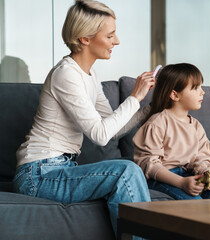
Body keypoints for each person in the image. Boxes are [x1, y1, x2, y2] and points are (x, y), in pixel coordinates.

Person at [13, 0, 153, 235]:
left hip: (57, 168)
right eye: (110, 36)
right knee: (125, 170)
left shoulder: (89, 74)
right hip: (37, 174)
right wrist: (135, 97)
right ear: (84, 39)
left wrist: (150, 108)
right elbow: (99, 135)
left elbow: (113, 129)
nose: (116, 41)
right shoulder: (66, 74)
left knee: (126, 170)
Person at [132, 63, 210, 200]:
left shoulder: (196, 126)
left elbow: (201, 157)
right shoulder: (157, 123)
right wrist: (181, 182)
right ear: (174, 95)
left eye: (201, 87)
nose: (202, 92)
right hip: (162, 177)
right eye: (195, 88)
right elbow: (150, 164)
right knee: (194, 201)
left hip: (187, 174)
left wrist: (208, 172)